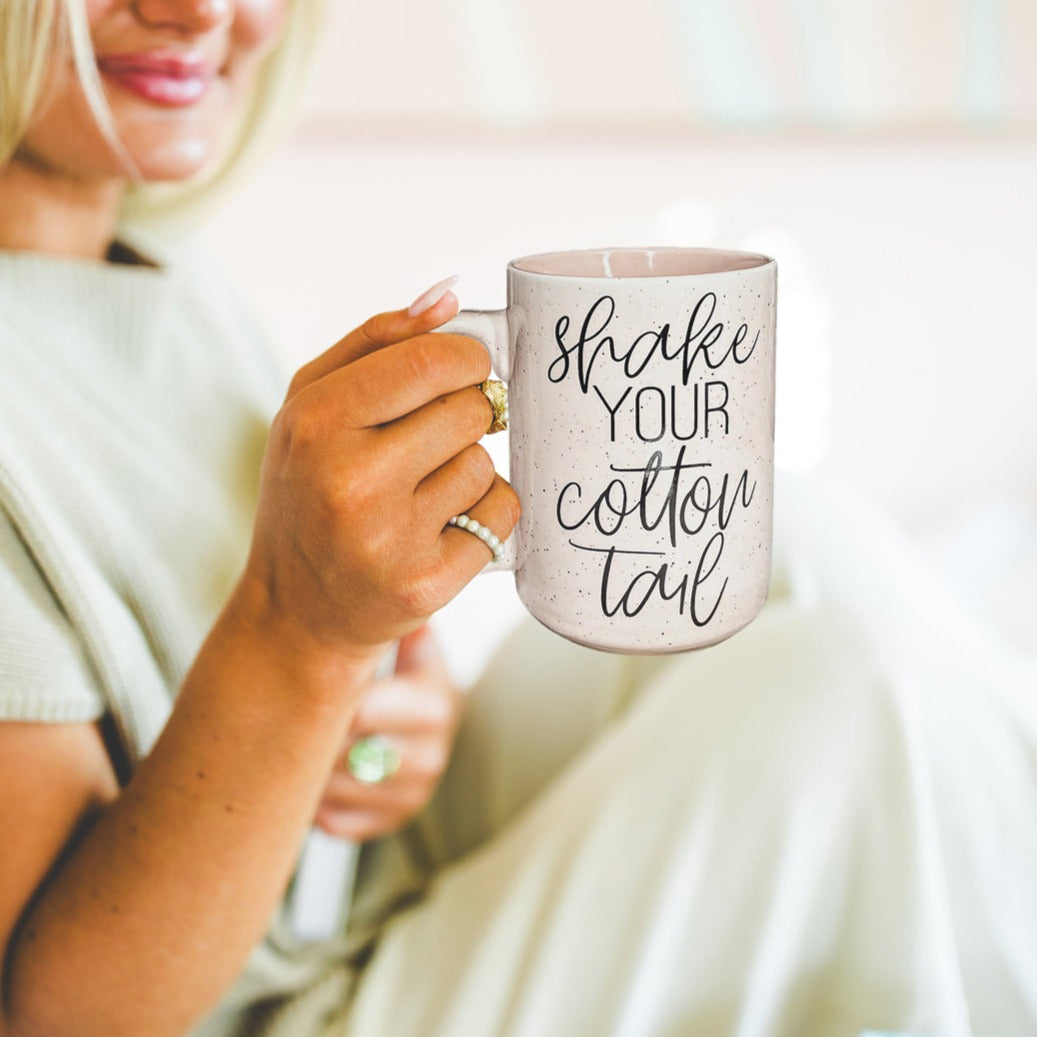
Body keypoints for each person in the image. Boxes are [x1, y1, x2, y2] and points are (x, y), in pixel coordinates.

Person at [2, 3, 1036, 1037]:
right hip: (270, 1004)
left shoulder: (163, 272)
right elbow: (59, 1017)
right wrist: (305, 638)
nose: (199, 10)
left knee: (786, 537)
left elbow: (278, 681)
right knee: (842, 688)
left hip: (349, 891)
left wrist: (390, 725)